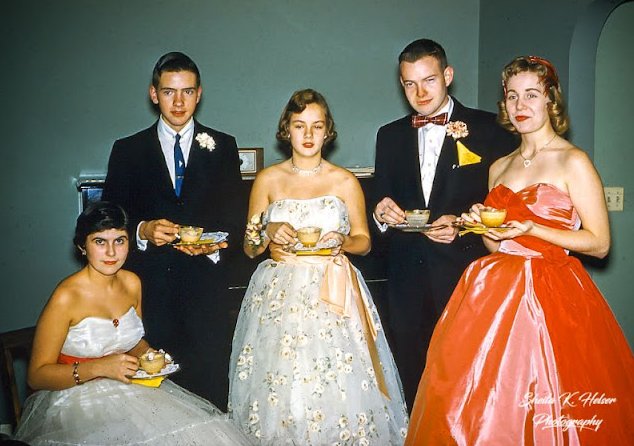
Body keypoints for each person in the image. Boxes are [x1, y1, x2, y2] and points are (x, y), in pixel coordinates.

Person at [405, 56, 634, 445]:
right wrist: (480, 222)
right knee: (484, 404)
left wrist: (534, 228)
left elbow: (599, 242)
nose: (520, 106)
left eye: (531, 95)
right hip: (494, 295)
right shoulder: (499, 167)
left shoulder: (572, 161)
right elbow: (497, 243)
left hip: (553, 295)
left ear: (551, 101)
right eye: (512, 96)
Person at [228, 89, 409, 444]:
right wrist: (265, 230)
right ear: (287, 131)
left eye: (316, 126)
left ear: (328, 132)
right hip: (281, 298)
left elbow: (364, 240)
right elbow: (250, 249)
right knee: (284, 390)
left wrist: (342, 242)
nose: (308, 135)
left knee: (340, 389)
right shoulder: (267, 180)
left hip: (335, 291)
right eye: (299, 126)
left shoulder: (345, 181)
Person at [14, 202, 251, 445]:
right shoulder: (66, 296)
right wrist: (99, 368)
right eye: (99, 241)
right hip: (76, 401)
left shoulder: (132, 283)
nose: (111, 252)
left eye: (120, 240)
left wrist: (148, 354)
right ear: (81, 246)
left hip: (129, 390)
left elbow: (131, 340)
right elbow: (37, 376)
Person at [372, 38, 517, 409]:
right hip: (405, 280)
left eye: (429, 80)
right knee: (411, 375)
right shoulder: (388, 136)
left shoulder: (490, 129)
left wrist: (465, 226)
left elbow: (505, 207)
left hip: (464, 274)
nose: (419, 92)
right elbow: (381, 202)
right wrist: (381, 214)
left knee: (468, 375)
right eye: (409, 84)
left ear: (448, 75)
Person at [101, 51, 244, 409]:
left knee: (211, 386)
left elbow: (235, 219)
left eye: (187, 92)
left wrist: (211, 245)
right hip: (151, 292)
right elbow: (108, 218)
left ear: (199, 93)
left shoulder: (223, 145)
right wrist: (143, 231)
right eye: (168, 92)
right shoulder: (128, 150)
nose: (178, 102)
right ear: (154, 94)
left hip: (207, 291)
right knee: (156, 395)